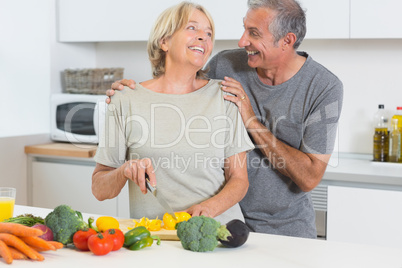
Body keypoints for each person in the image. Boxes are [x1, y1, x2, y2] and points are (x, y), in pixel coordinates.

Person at [107, 0, 343, 238]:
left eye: (254, 33)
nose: (242, 42)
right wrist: (130, 92)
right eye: (245, 28)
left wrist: (250, 120)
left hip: (287, 227)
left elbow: (309, 177)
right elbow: (179, 83)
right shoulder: (226, 64)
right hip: (224, 223)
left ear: (287, 41)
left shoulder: (324, 87)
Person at [92, 2, 254, 225]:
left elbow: (239, 180)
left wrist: (206, 210)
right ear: (164, 41)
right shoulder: (125, 99)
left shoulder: (223, 96)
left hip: (218, 233)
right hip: (156, 239)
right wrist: (124, 171)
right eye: (192, 28)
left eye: (208, 33)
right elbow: (100, 189)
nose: (203, 37)